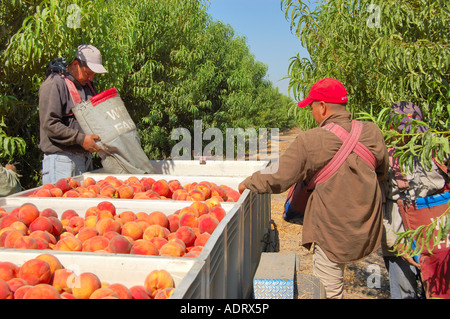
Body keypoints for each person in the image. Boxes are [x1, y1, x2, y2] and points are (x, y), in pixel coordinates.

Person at [238, 78, 389, 299]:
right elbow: (381, 172)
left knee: (329, 292)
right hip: (365, 228)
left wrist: (248, 182)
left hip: (331, 233)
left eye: (312, 107)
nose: (312, 113)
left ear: (323, 107)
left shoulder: (312, 140)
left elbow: (279, 178)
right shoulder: (372, 131)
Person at [381, 101, 448, 299]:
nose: (408, 136)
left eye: (413, 130)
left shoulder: (435, 152)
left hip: (437, 242)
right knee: (405, 294)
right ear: (391, 129)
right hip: (400, 243)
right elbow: (377, 208)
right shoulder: (384, 160)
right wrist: (397, 245)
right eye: (402, 131)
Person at [39, 44, 107, 185]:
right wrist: (81, 139)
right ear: (75, 64)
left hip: (84, 159)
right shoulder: (54, 84)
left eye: (94, 74)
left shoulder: (87, 86)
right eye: (88, 73)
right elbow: (50, 125)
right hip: (61, 160)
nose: (91, 78)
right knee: (61, 205)